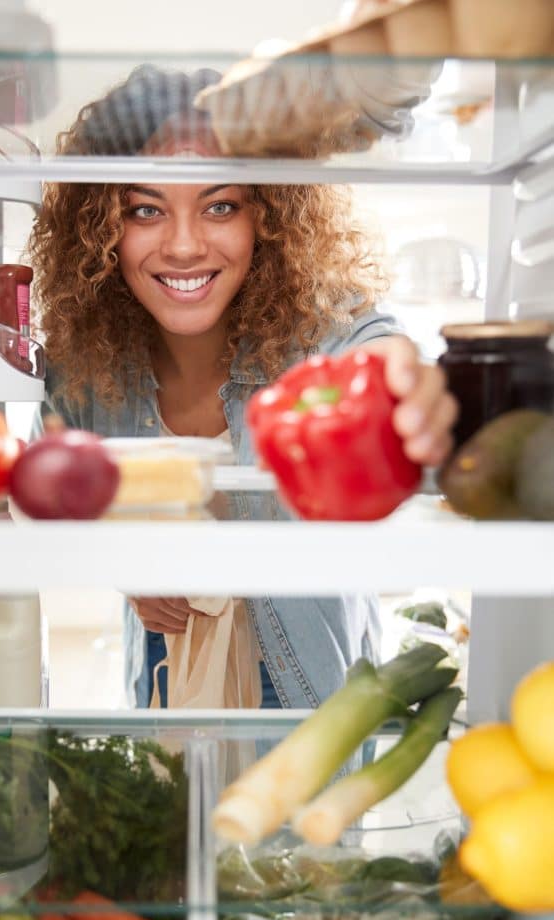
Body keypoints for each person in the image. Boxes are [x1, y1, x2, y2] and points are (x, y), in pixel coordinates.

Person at [28, 64, 458, 711]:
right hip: (164, 699)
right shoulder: (84, 370)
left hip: (315, 715)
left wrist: (405, 380)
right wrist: (125, 571)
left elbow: (376, 348)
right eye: (145, 210)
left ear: (268, 216)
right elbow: (58, 506)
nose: (182, 245)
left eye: (219, 206)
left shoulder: (320, 332)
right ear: (101, 232)